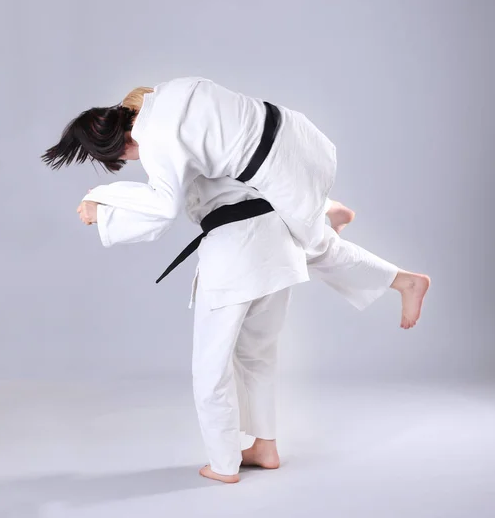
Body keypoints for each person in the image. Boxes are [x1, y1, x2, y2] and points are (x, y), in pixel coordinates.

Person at [76, 175, 430, 484]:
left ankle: (223, 463)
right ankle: (265, 447)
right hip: (274, 241)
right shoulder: (224, 132)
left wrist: (103, 201)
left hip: (234, 249)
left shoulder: (171, 134)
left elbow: (160, 201)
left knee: (212, 367)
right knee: (257, 356)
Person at [42, 77, 338, 250]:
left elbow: (165, 206)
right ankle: (329, 206)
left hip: (285, 173)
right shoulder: (171, 89)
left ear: (119, 149)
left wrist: (100, 195)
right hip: (300, 132)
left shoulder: (156, 141)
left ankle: (330, 214)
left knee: (310, 247)